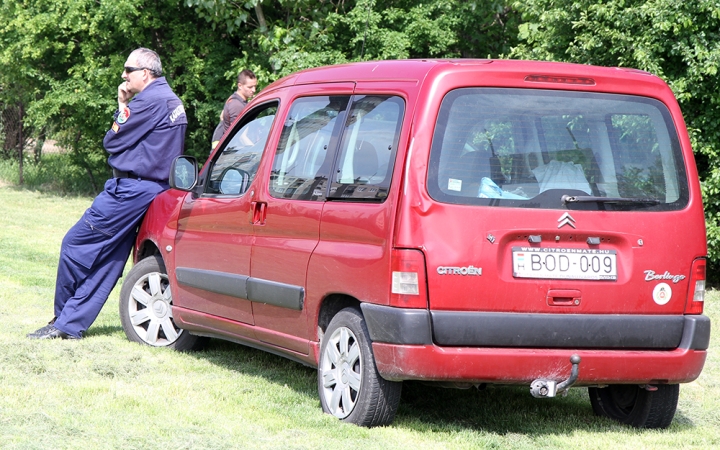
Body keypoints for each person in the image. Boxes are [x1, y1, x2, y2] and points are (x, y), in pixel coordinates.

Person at [27, 48, 187, 340]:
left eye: (128, 69)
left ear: (145, 73)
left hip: (129, 191)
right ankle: (68, 325)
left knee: (74, 245)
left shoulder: (149, 101)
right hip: (152, 190)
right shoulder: (172, 101)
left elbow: (112, 140)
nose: (123, 75)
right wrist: (125, 104)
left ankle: (60, 318)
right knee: (110, 262)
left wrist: (122, 105)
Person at [211, 69, 258, 149]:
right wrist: (255, 150)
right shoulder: (236, 105)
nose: (254, 90)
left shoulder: (235, 100)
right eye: (250, 87)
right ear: (240, 86)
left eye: (255, 86)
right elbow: (239, 136)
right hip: (233, 153)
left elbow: (222, 117)